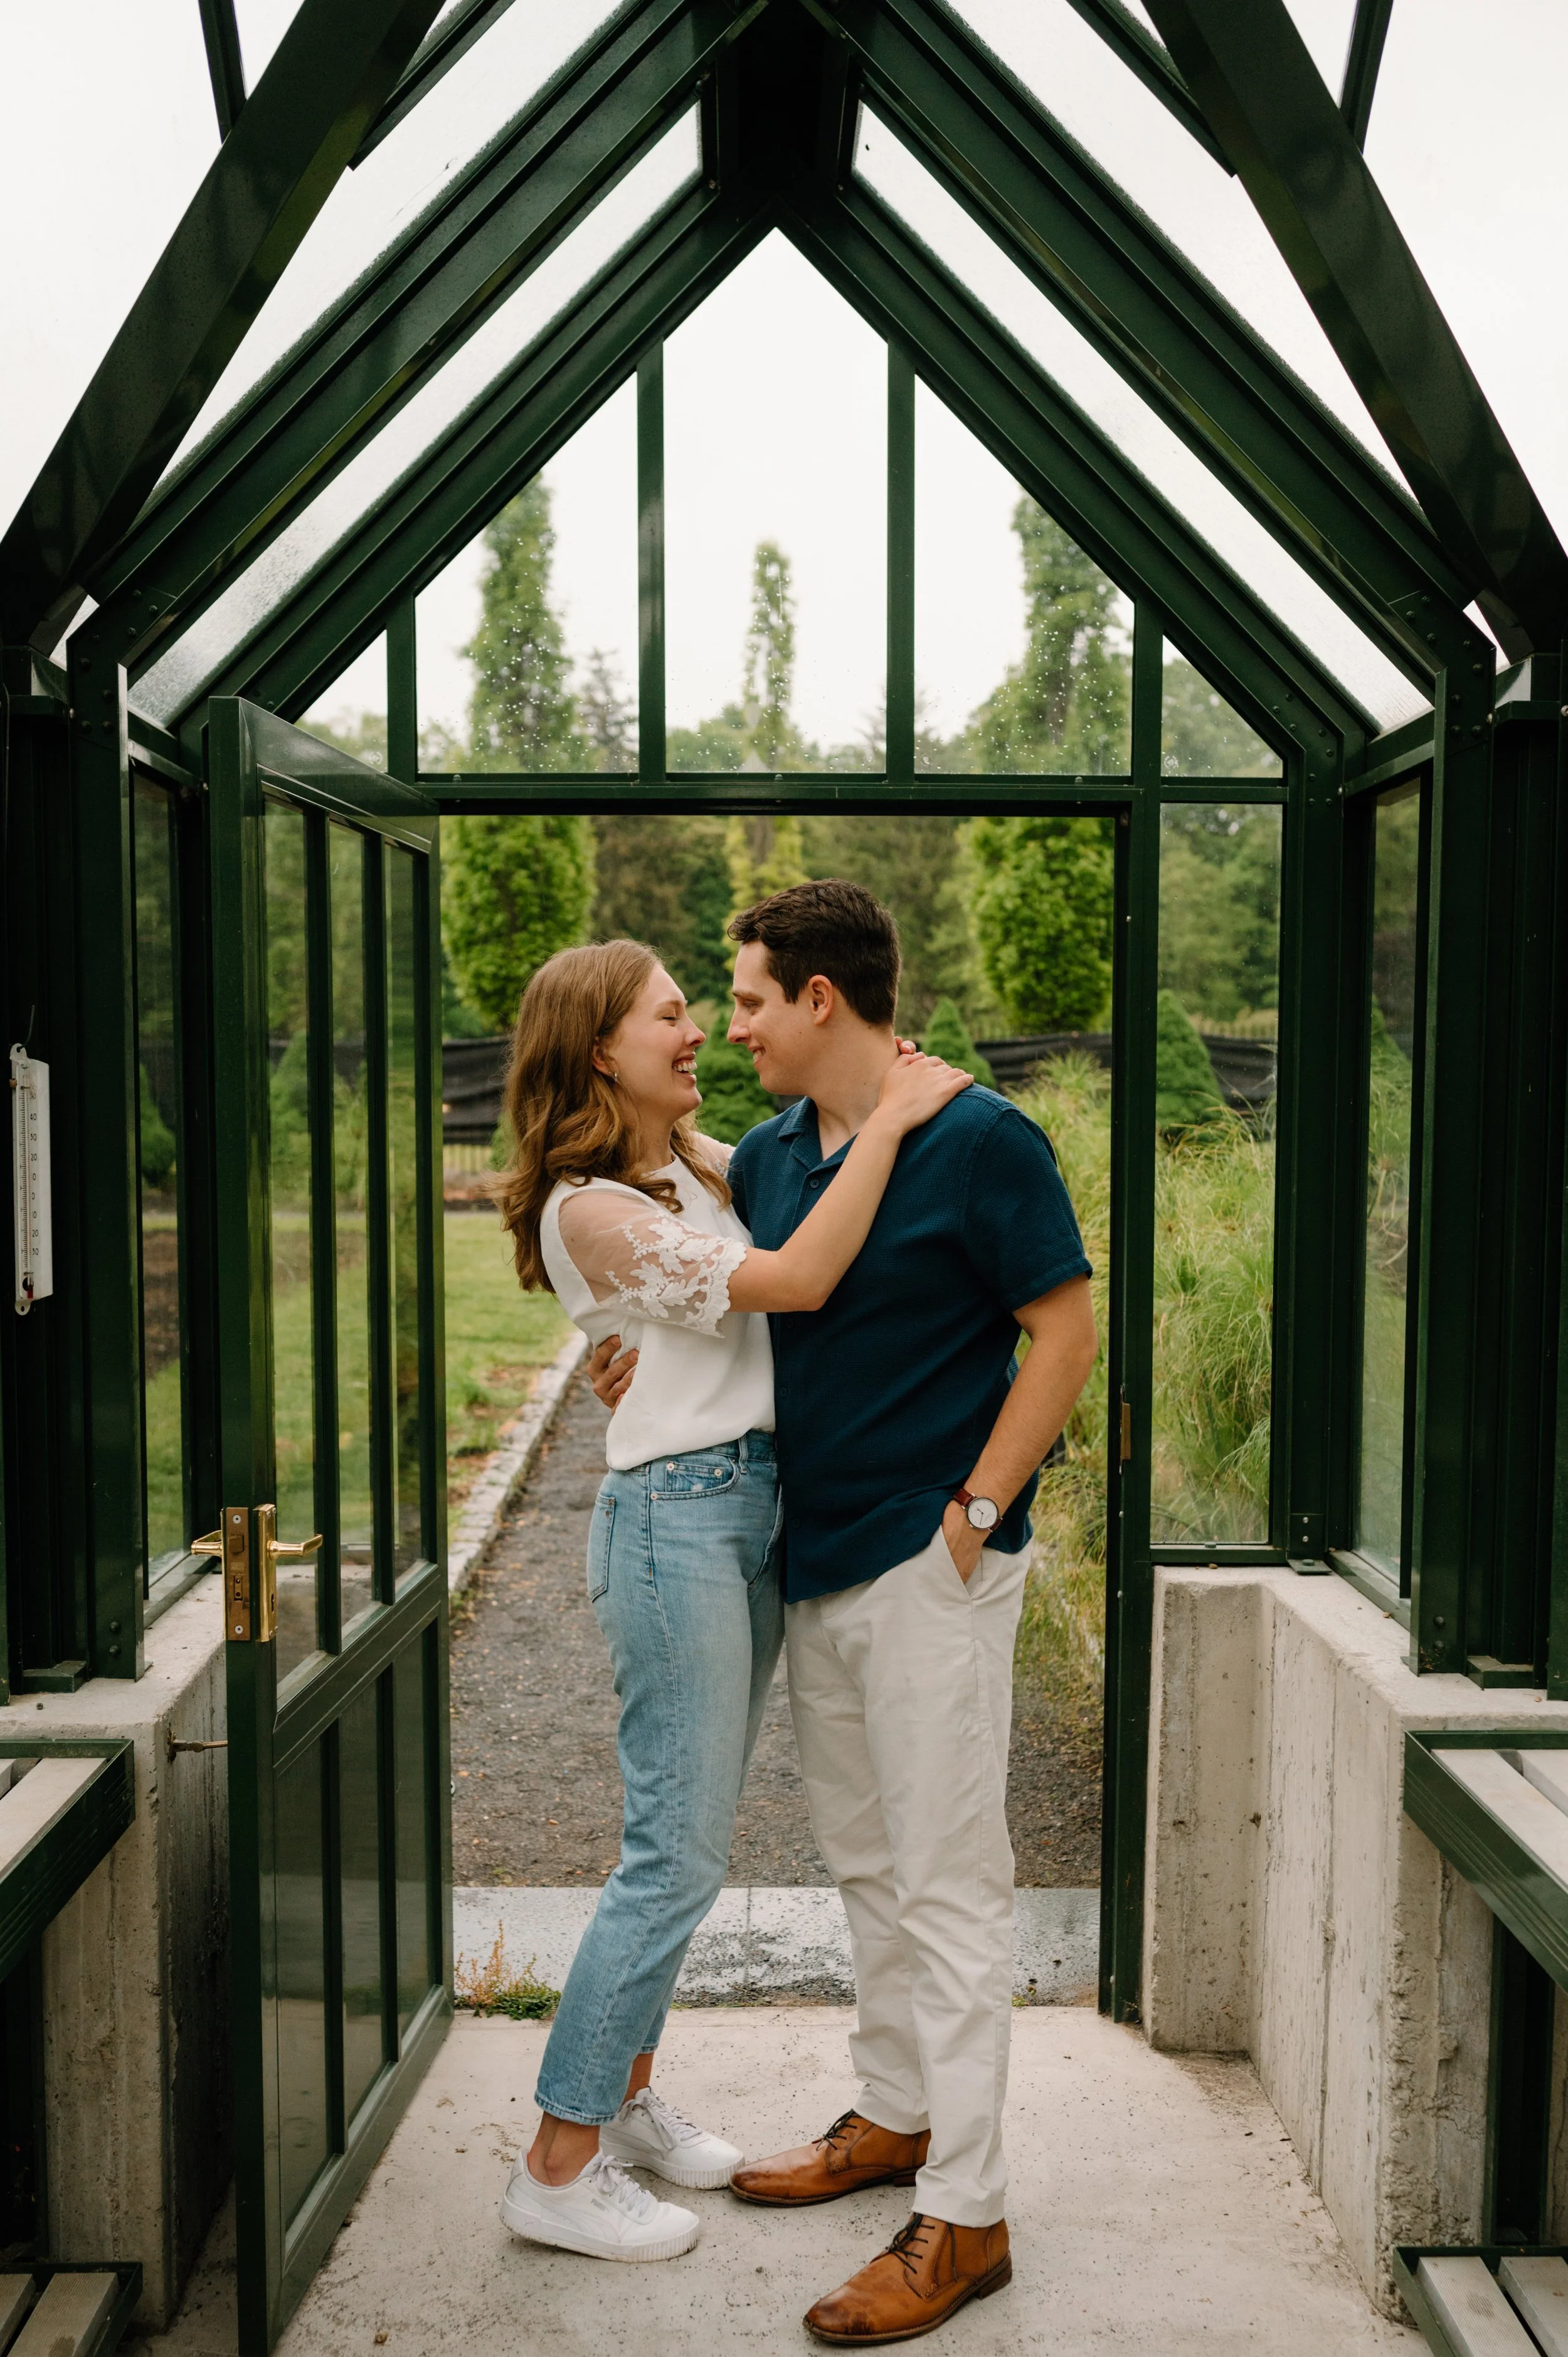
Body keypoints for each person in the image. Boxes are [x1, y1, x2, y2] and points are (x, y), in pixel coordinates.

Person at [592, 881, 1096, 2341]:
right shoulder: (763, 1152)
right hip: (811, 1554)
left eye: (745, 998)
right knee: (867, 1866)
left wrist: (979, 1513)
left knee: (949, 1887)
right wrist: (636, 1371)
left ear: (820, 1000)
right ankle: (893, 2117)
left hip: (928, 1563)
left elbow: (1060, 1329)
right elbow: (737, 1306)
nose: (729, 1024)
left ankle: (971, 2214)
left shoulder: (981, 1138)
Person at [492, 937, 972, 2266]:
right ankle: (557, 2161)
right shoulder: (588, 1205)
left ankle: (627, 2099)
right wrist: (888, 1121)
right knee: (673, 1855)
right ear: (600, 1047)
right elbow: (794, 1281)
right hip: (673, 1527)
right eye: (671, 1014)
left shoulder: (697, 1165)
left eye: (706, 1010)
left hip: (749, 1507)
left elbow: (745, 1323)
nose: (698, 1030)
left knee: (683, 1848)